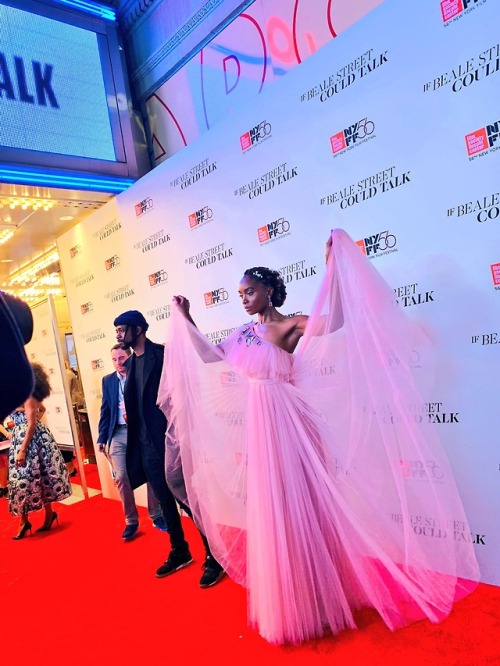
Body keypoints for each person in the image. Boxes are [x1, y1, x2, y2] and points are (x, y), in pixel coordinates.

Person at [158, 228, 479, 645]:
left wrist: (334, 269)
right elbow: (209, 356)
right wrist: (186, 319)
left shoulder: (293, 325)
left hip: (291, 426)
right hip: (260, 427)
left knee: (301, 505)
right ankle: (289, 602)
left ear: (270, 291)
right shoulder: (241, 333)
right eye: (240, 293)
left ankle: (316, 596)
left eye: (250, 290)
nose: (243, 298)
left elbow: (338, 322)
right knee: (274, 511)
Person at [113, 310, 225, 587]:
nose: (118, 335)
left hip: (170, 442)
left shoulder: (161, 355)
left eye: (122, 329)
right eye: (116, 330)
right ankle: (180, 550)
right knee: (164, 501)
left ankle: (216, 556)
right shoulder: (130, 364)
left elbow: (186, 389)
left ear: (138, 329)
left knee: (189, 501)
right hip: (146, 445)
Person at [97, 343, 168, 540]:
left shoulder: (140, 374)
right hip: (119, 433)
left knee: (152, 472)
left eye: (121, 358)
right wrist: (102, 437)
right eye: (114, 359)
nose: (118, 363)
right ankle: (131, 520)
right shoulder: (108, 381)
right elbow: (106, 410)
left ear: (129, 357)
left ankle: (156, 514)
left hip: (141, 432)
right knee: (121, 476)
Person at [8, 362, 72, 539]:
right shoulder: (20, 393)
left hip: (29, 442)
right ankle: (30, 519)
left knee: (30, 479)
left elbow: (31, 423)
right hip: (24, 439)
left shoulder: (29, 395)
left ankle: (30, 520)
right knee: (32, 479)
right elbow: (41, 409)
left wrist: (22, 449)